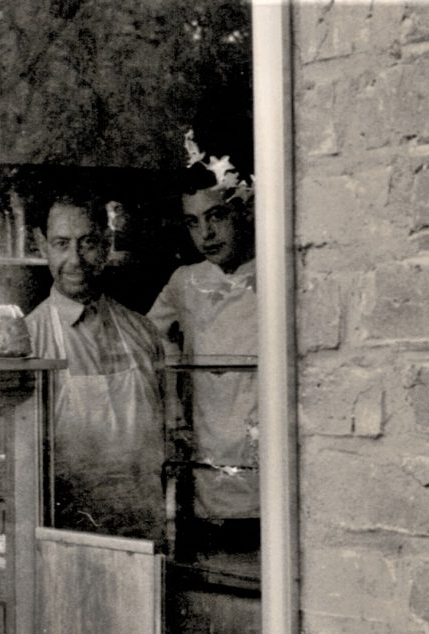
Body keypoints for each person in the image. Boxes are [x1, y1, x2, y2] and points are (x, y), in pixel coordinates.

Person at [25, 192, 165, 541]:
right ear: (42, 245)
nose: (75, 259)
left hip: (145, 530)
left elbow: (171, 435)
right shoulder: (28, 340)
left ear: (106, 244)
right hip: (69, 534)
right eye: (61, 243)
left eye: (87, 242)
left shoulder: (142, 332)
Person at [148, 159, 258, 546]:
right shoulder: (187, 282)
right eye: (194, 222)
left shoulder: (275, 273)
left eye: (216, 217)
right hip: (208, 469)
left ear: (244, 211)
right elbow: (148, 337)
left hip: (262, 464)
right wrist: (176, 387)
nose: (206, 234)